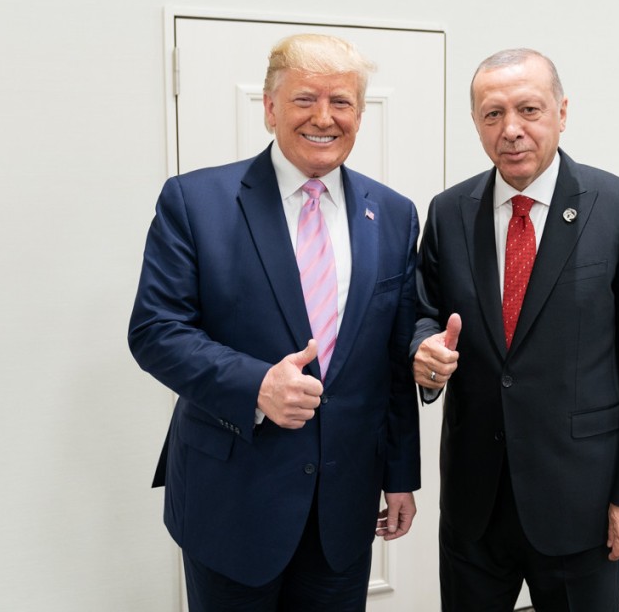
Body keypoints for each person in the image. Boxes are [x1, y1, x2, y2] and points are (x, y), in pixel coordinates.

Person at [129, 33, 421, 612]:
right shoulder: (195, 201)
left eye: (341, 102)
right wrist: (256, 385)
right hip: (232, 501)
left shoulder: (392, 213)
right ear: (269, 108)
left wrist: (400, 474)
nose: (324, 117)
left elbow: (390, 359)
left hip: (342, 510)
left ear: (360, 114)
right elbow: (156, 330)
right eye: (304, 98)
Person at [411, 48, 619, 611]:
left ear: (562, 112)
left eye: (529, 109)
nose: (512, 130)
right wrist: (422, 349)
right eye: (493, 114)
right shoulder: (450, 211)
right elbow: (422, 310)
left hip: (581, 505)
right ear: (477, 123)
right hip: (475, 504)